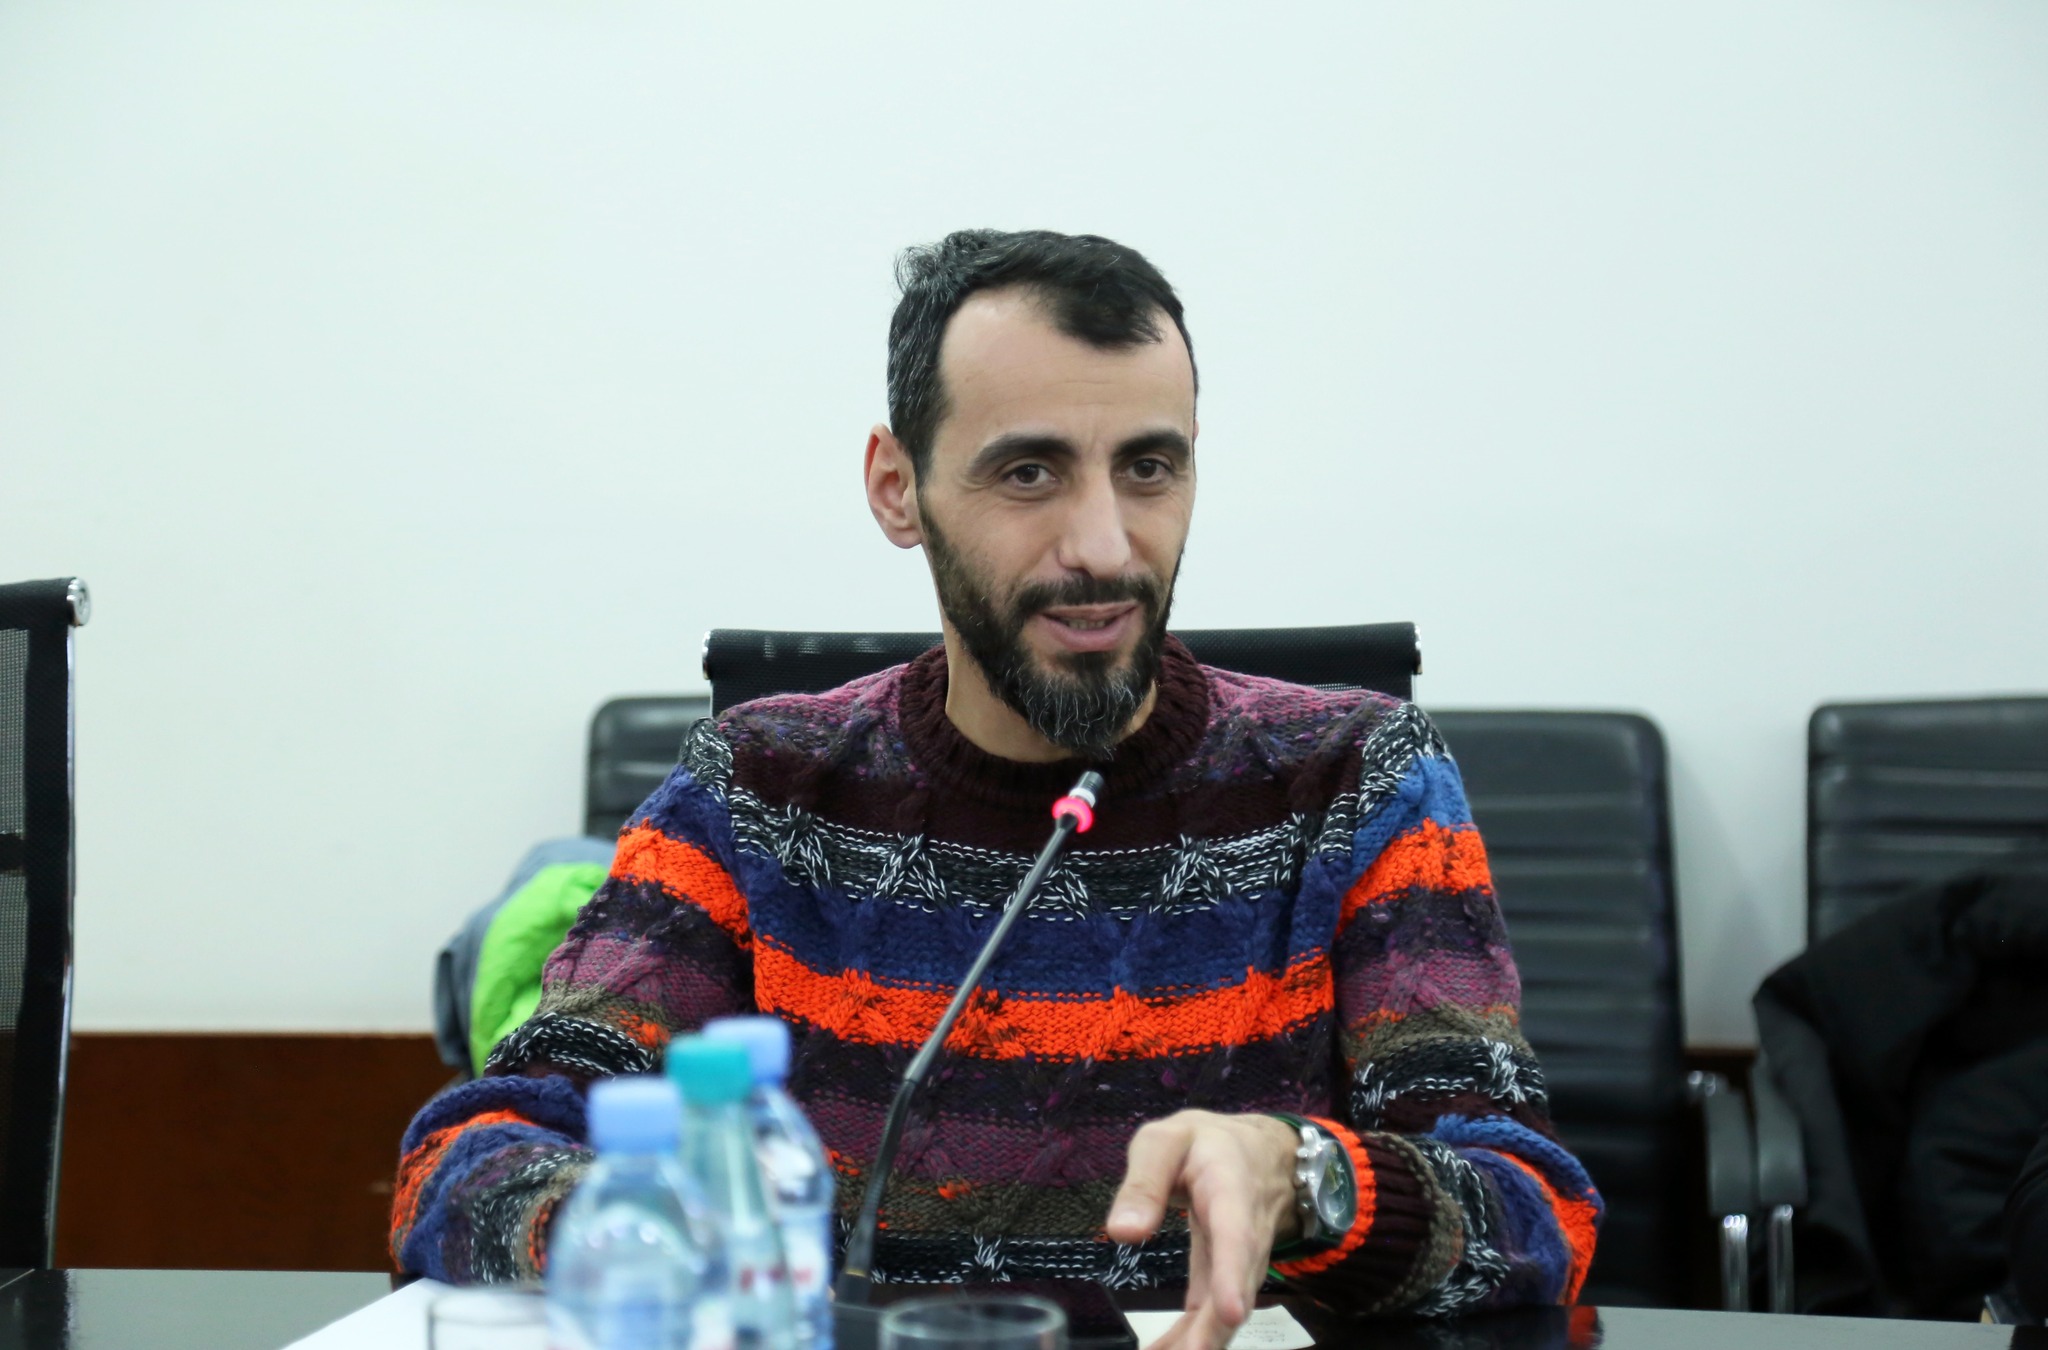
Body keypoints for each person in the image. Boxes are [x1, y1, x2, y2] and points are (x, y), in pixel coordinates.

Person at [390, 229, 1601, 1347]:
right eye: (1028, 473)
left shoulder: (1358, 779)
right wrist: (648, 1230)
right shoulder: (755, 788)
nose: (1104, 546)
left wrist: (1309, 1178)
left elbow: (1537, 1213)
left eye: (1148, 468)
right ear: (896, 487)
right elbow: (461, 1163)